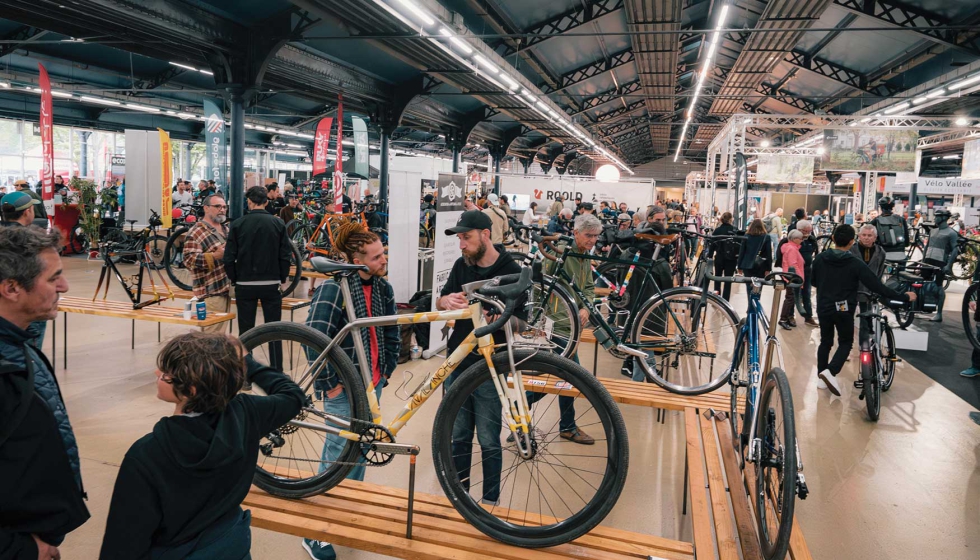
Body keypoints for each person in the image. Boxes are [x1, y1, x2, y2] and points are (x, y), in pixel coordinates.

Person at [99, 333, 305, 559]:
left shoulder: (147, 455)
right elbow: (292, 396)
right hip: (231, 548)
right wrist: (247, 360)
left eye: (167, 374)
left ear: (191, 390)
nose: (158, 373)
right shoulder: (247, 414)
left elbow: (123, 544)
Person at [301, 224, 397, 559]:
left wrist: (385, 371)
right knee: (337, 452)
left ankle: (346, 507)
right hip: (344, 386)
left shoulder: (382, 287)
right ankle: (315, 531)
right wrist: (332, 383)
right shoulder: (335, 289)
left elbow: (390, 332)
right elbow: (316, 339)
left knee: (361, 450)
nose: (384, 259)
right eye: (377, 256)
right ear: (357, 260)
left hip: (372, 383)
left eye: (383, 252)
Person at [0, 226, 88, 560]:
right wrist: (21, 549)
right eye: (54, 279)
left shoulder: (19, 345)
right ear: (11, 288)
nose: (64, 286)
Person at [436, 210, 521, 506]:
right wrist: (447, 300)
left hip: (490, 368)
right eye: (459, 238)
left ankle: (490, 500)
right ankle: (460, 496)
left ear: (486, 235)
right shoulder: (462, 265)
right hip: (458, 361)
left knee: (487, 438)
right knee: (458, 434)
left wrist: (501, 317)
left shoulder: (512, 270)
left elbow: (525, 322)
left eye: (466, 238)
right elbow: (442, 299)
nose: (462, 245)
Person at [812, 224, 915, 395]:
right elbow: (878, 286)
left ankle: (821, 377)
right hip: (844, 307)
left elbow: (813, 281)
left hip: (823, 305)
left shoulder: (820, 258)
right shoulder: (855, 263)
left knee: (826, 341)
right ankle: (830, 372)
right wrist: (904, 297)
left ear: (833, 239)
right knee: (845, 341)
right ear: (853, 241)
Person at [530, 214, 599, 443]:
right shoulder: (559, 252)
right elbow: (541, 286)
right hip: (556, 325)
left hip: (573, 325)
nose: (593, 240)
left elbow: (588, 287)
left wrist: (586, 308)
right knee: (569, 376)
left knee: (556, 376)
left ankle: (520, 416)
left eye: (596, 236)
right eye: (588, 235)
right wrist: (538, 320)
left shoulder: (584, 255)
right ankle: (566, 426)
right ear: (576, 232)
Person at [223, 186, 293, 368]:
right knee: (274, 330)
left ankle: (246, 372)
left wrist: (234, 278)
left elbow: (229, 256)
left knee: (246, 332)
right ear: (266, 202)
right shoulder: (278, 224)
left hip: (245, 283)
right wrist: (282, 277)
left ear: (249, 202)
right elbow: (285, 254)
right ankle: (277, 370)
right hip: (271, 283)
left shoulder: (237, 224)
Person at [183, 194, 232, 333]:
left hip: (225, 289)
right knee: (211, 337)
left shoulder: (225, 229)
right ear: (206, 208)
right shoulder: (196, 232)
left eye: (224, 207)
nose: (222, 210)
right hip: (209, 292)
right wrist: (214, 256)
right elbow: (188, 259)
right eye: (217, 206)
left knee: (219, 335)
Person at [849, 224, 886, 342]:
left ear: (875, 237)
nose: (866, 238)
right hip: (851, 289)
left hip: (869, 291)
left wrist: (876, 287)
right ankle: (846, 347)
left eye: (869, 235)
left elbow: (880, 271)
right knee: (847, 319)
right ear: (859, 236)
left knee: (866, 319)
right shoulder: (851, 250)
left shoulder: (880, 252)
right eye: (864, 235)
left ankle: (863, 345)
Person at [922, 208, 958, 322]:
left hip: (940, 262)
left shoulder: (951, 233)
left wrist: (949, 265)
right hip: (928, 261)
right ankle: (923, 306)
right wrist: (923, 260)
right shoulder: (933, 231)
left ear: (944, 218)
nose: (935, 218)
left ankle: (939, 313)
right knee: (922, 283)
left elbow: (955, 250)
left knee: (938, 287)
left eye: (938, 216)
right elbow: (927, 247)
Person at [708, 212, 740, 301]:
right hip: (731, 259)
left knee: (717, 278)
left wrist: (710, 256)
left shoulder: (717, 230)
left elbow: (712, 244)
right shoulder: (735, 230)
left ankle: (717, 298)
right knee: (728, 280)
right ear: (731, 219)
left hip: (719, 257)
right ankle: (725, 300)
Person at [778, 230, 806, 330]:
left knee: (791, 298)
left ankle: (786, 318)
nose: (802, 241)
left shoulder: (791, 248)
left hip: (791, 277)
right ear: (794, 239)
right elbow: (793, 264)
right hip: (792, 278)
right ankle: (783, 319)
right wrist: (799, 278)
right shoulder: (792, 249)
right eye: (800, 239)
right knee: (790, 298)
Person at [869, 197, 909, 262]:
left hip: (883, 254)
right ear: (893, 207)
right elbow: (906, 240)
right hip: (900, 254)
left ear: (880, 207)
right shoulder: (901, 219)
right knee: (900, 270)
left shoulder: (876, 221)